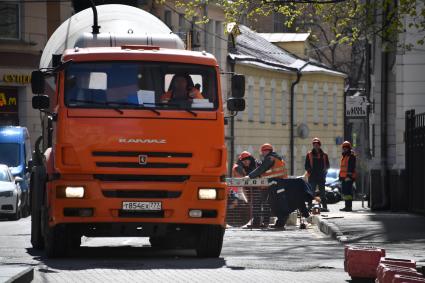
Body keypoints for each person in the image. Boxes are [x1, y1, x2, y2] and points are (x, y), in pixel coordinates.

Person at [246, 143, 288, 229]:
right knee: (273, 204)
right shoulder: (277, 158)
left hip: (275, 184)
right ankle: (276, 223)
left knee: (271, 204)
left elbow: (261, 169)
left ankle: (275, 223)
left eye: (263, 151)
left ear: (267, 151)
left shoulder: (270, 158)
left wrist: (249, 176)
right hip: (277, 184)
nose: (262, 153)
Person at [304, 137, 330, 212]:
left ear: (319, 145)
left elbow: (328, 166)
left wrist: (324, 172)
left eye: (317, 144)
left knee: (322, 194)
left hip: (321, 177)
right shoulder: (309, 154)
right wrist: (310, 171)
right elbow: (306, 166)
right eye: (314, 144)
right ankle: (309, 207)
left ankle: (324, 207)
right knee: (311, 193)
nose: (316, 146)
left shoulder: (324, 155)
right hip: (312, 177)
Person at [339, 141, 356, 212]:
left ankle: (349, 207)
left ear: (349, 148)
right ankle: (347, 206)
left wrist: (348, 176)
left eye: (346, 148)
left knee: (348, 192)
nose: (345, 149)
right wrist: (340, 176)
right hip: (344, 177)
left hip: (348, 177)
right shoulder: (344, 156)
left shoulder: (351, 156)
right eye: (344, 148)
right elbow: (342, 167)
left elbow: (351, 167)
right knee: (345, 192)